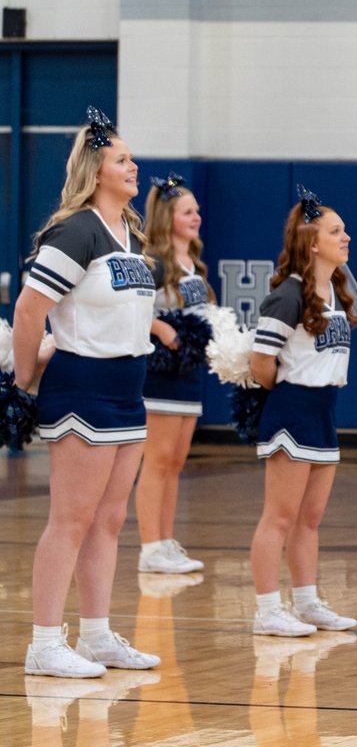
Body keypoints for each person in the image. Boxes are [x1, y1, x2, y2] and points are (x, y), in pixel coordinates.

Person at [14, 107, 162, 677]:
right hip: (82, 387)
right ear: (96, 170)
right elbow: (30, 309)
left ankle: (97, 636)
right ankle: (46, 642)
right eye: (122, 159)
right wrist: (25, 379)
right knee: (70, 520)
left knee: (108, 520)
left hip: (130, 389)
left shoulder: (131, 235)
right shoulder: (75, 231)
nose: (134, 166)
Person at [248, 186, 357, 637]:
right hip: (293, 410)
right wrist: (288, 394)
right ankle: (267, 610)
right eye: (336, 231)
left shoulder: (334, 292)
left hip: (324, 411)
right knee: (279, 516)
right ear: (312, 242)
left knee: (309, 519)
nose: (346, 237)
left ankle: (308, 602)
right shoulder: (288, 294)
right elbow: (261, 363)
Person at [136, 173, 214, 574]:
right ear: (168, 217)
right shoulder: (154, 264)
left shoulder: (193, 263)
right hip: (160, 372)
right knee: (158, 460)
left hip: (188, 372)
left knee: (176, 461)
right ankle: (150, 548)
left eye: (197, 210)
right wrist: (160, 328)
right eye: (188, 211)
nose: (196, 217)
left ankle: (165, 541)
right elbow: (131, 308)